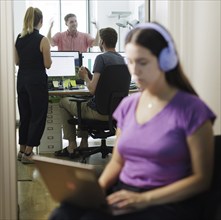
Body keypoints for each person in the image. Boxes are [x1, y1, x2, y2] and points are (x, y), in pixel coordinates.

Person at [49, 22, 216, 220]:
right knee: (63, 214)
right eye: (130, 61)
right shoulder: (128, 107)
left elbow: (201, 179)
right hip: (123, 192)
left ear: (167, 60)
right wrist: (95, 192)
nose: (135, 71)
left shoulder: (192, 110)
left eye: (142, 62)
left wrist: (144, 199)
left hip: (164, 201)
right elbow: (117, 161)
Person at [54, 27, 126, 159]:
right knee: (84, 101)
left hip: (98, 112)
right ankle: (84, 143)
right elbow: (105, 86)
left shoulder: (101, 59)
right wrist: (91, 77)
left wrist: (85, 77)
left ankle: (72, 145)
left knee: (63, 102)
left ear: (102, 42)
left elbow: (92, 90)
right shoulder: (122, 60)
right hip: (115, 114)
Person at [15, 7, 52, 164]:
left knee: (25, 116)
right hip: (37, 81)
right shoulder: (43, 40)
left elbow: (17, 62)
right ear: (41, 22)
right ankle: (29, 153)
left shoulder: (19, 38)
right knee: (37, 116)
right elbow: (47, 64)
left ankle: (22, 149)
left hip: (22, 79)